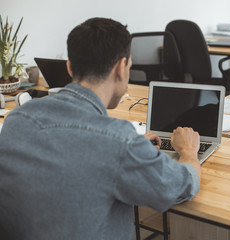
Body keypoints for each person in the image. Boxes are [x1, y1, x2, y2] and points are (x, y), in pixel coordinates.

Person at [0, 18, 201, 240]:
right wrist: (189, 152)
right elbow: (179, 186)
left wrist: (135, 150)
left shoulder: (16, 119)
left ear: (69, 66)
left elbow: (72, 153)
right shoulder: (118, 142)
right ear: (120, 68)